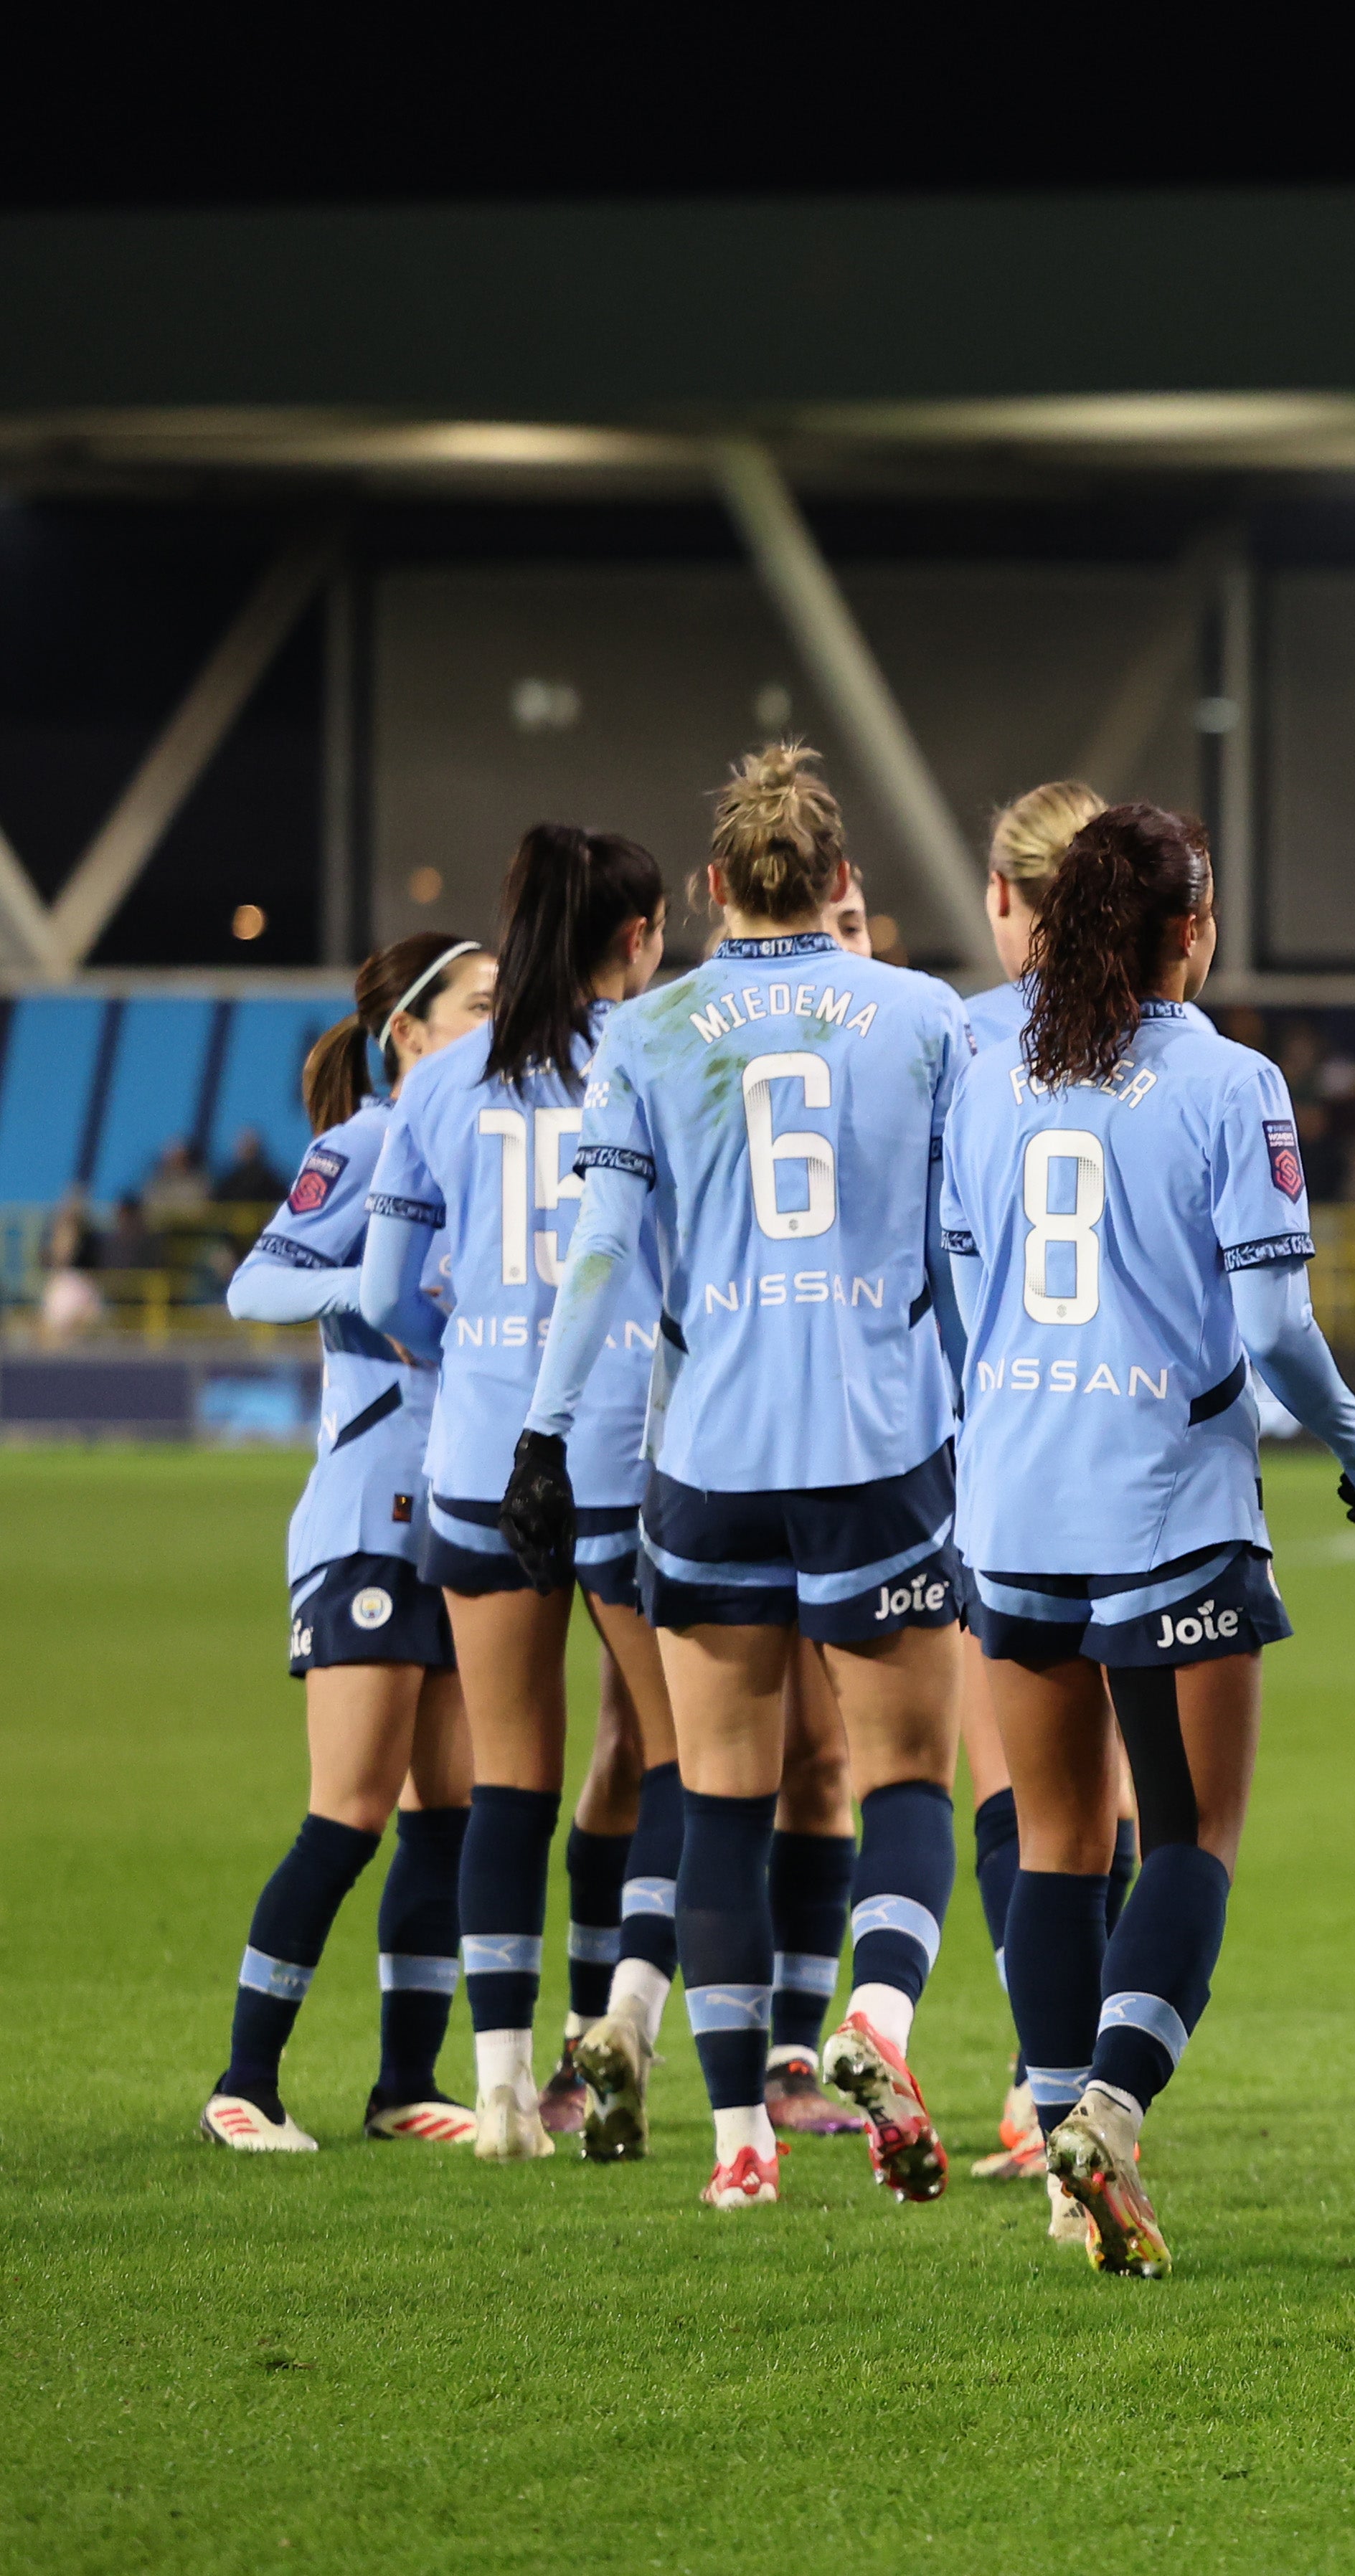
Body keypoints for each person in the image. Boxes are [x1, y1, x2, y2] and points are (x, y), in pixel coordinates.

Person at [940, 802, 1355, 2273]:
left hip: (1010, 1497)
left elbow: (959, 1286)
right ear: (1190, 928)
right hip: (1166, 1498)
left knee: (1060, 1836)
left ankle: (1058, 2140)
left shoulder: (989, 1072)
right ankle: (1114, 2109)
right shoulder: (1231, 1079)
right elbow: (1274, 1321)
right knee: (1191, 1828)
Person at [506, 743, 971, 2213]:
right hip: (880, 1449)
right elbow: (962, 1247)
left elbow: (597, 1258)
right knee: (902, 1773)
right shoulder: (922, 1015)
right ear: (844, 884)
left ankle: (736, 2151)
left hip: (705, 1451)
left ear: (712, 889)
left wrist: (539, 1429)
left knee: (716, 1796)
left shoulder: (648, 1034)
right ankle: (873, 2021)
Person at [356, 831, 679, 2163]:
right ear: (640, 937)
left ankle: (495, 2093)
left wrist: (474, 1351)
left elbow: (383, 1297)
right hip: (614, 1454)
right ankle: (625, 2017)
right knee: (687, 1763)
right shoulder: (651, 1062)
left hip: (478, 1462)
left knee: (510, 1783)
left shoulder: (439, 1091)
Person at [202, 934, 500, 2151]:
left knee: (453, 1811)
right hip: (369, 1513)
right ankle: (246, 2083)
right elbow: (254, 1289)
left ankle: (403, 2085)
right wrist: (373, 1286)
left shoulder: (483, 1155)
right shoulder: (370, 1141)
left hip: (456, 1515)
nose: (501, 1027)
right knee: (352, 1808)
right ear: (411, 1035)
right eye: (480, 1008)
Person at [948, 783, 1151, 2192]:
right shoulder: (1177, 1045)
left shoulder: (960, 1041)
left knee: (1013, 1783)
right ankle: (1089, 2096)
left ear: (1005, 898)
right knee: (1117, 1800)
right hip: (1137, 1458)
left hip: (982, 1447)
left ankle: (1043, 2088)